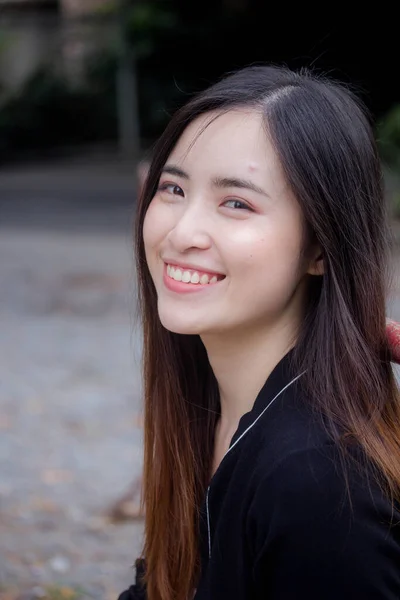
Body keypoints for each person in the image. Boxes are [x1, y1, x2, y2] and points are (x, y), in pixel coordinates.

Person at [118, 65, 400, 600]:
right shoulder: (209, 411)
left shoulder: (319, 486)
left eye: (237, 203)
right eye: (173, 188)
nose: (181, 233)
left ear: (320, 248)